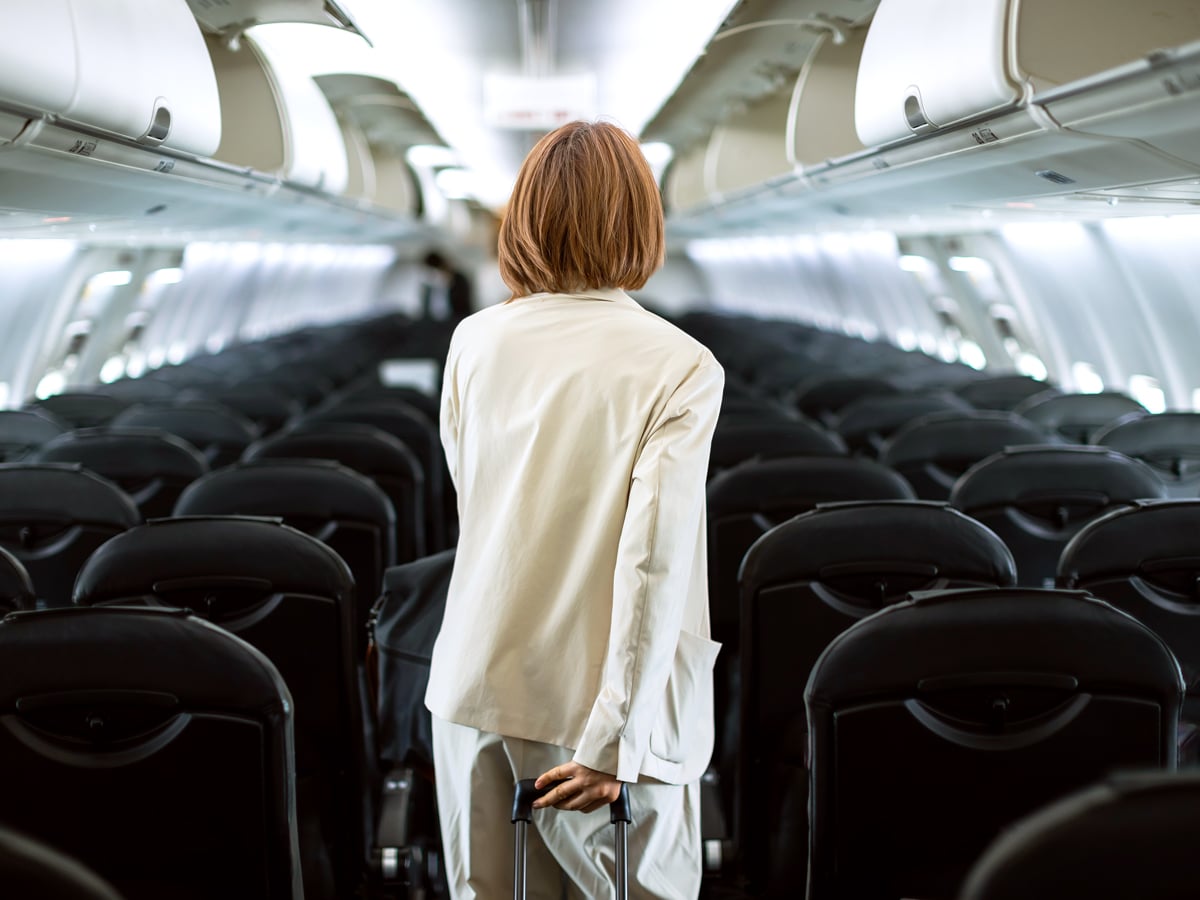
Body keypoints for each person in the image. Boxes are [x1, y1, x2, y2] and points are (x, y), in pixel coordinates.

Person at [426, 120, 724, 899]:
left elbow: (481, 507)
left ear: (524, 218)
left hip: (476, 690)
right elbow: (654, 561)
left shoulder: (473, 343)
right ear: (640, 220)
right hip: (604, 714)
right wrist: (615, 741)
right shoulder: (682, 365)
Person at [420, 250, 474, 322]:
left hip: (456, 319)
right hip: (435, 322)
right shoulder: (429, 285)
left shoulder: (458, 279)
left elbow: (462, 303)